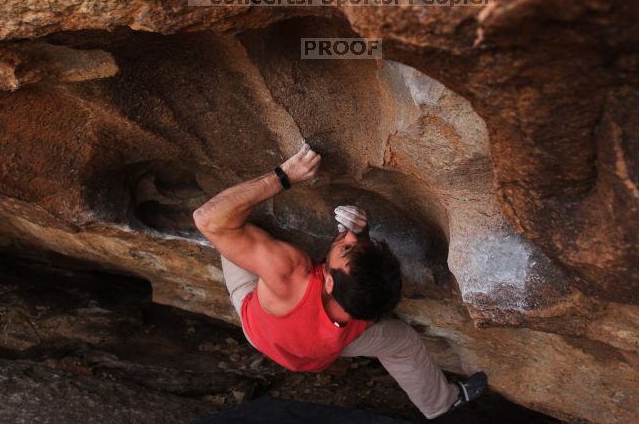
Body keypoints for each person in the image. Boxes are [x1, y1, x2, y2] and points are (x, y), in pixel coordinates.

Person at [193, 142, 487, 419]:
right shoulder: (367, 304)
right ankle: (442, 404)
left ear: (329, 282)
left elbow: (207, 218)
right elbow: (364, 271)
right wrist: (362, 234)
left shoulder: (288, 271)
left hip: (261, 332)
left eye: (346, 247)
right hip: (319, 352)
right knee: (402, 341)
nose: (346, 235)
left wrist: (284, 176)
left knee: (236, 223)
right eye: (355, 243)